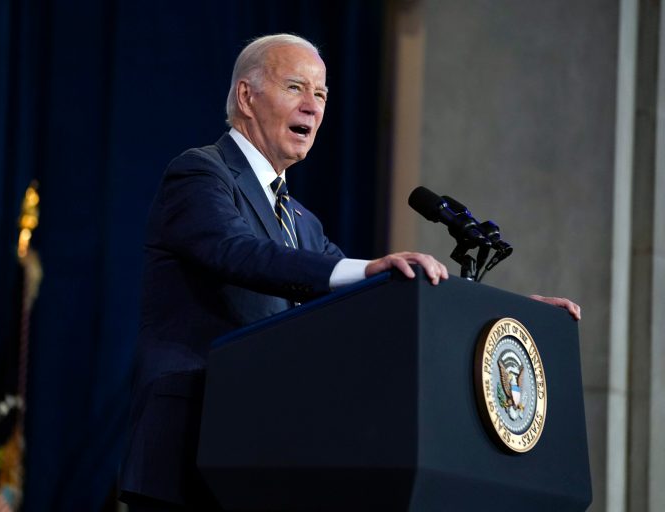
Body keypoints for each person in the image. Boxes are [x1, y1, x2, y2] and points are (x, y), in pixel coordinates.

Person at [119, 34, 580, 512]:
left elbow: (376, 300)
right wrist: (370, 267)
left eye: (320, 95)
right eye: (296, 87)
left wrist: (506, 313)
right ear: (246, 96)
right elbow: (239, 252)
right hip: (190, 446)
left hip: (260, 456)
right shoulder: (199, 174)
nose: (312, 107)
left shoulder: (302, 221)